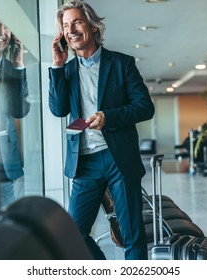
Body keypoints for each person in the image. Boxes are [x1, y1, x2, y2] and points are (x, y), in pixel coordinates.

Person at [49, 1, 155, 260]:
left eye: (76, 22)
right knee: (73, 234)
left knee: (132, 234)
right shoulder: (67, 70)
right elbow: (58, 109)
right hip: (85, 162)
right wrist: (57, 66)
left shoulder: (122, 64)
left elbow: (145, 107)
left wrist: (109, 117)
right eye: (65, 26)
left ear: (92, 27)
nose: (70, 30)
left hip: (118, 156)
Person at [0, 16, 30, 210]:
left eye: (7, 27)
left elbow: (20, 110)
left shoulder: (10, 68)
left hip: (6, 163)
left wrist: (18, 65)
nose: (2, 32)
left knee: (7, 223)